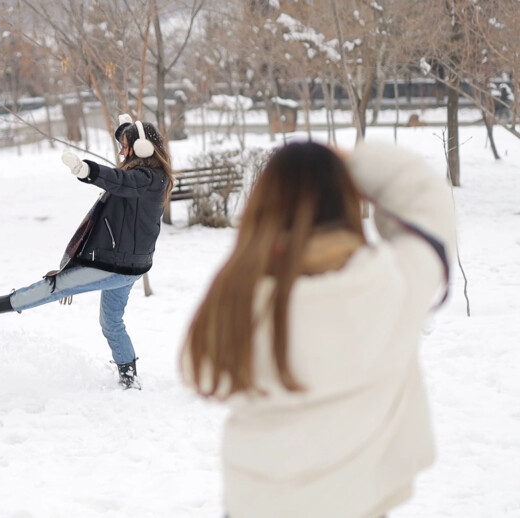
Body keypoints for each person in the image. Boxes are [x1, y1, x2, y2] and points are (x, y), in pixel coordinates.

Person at [181, 141, 456, 518]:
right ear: (347, 202)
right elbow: (425, 196)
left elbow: (200, 371)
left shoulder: (236, 300)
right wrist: (348, 165)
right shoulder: (393, 285)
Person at [0, 115, 174, 390]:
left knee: (55, 287)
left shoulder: (146, 179)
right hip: (127, 263)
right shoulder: (150, 177)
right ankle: (129, 378)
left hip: (118, 265)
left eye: (126, 146)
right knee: (111, 321)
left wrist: (89, 171)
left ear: (143, 148)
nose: (122, 151)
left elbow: (119, 180)